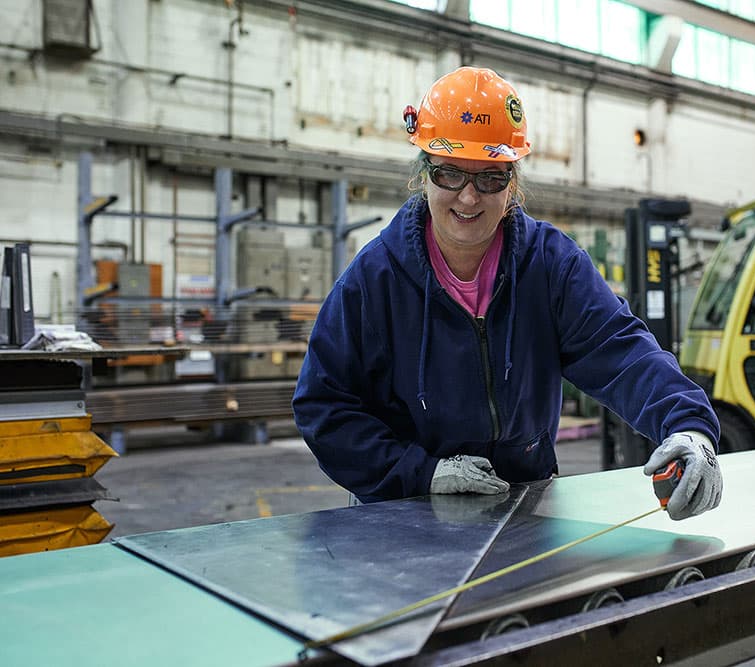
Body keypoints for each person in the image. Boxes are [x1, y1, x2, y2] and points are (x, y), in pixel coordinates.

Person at [293, 66, 723, 520]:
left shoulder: (549, 266)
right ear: (424, 176)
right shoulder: (375, 280)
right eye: (450, 174)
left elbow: (621, 351)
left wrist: (689, 427)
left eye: (490, 179)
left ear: (512, 184)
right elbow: (324, 404)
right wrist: (422, 473)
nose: (468, 198)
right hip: (405, 511)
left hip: (523, 506)